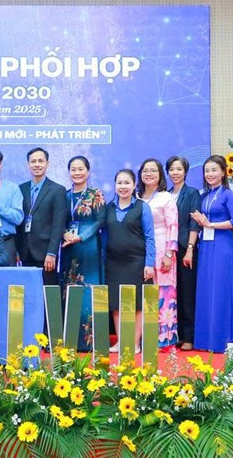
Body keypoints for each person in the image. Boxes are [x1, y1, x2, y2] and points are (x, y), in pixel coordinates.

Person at [189, 155, 233, 353]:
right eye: (207, 170)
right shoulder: (204, 195)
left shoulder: (228, 194)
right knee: (206, 290)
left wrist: (211, 224)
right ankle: (205, 340)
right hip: (206, 246)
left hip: (222, 245)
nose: (210, 174)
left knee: (220, 290)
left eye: (214, 170)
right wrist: (201, 222)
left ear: (223, 172)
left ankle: (222, 340)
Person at [105, 169, 156, 353]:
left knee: (137, 304)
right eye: (119, 183)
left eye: (127, 182)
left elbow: (150, 237)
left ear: (134, 185)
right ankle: (121, 341)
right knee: (116, 303)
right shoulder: (109, 207)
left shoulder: (142, 207)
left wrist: (149, 263)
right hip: (114, 263)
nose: (123, 186)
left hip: (137, 262)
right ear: (115, 186)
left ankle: (134, 343)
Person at [59, 156, 107, 351]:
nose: (77, 172)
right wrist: (64, 233)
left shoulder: (95, 194)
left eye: (80, 169)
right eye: (73, 169)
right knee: (69, 290)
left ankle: (89, 341)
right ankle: (71, 339)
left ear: (88, 171)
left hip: (88, 247)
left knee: (88, 290)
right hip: (68, 247)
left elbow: (101, 220)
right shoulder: (65, 195)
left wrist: (81, 237)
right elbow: (58, 219)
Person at [137, 158, 179, 350]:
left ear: (160, 174)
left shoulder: (165, 197)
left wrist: (169, 253)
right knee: (146, 292)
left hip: (163, 248)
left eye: (153, 170)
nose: (149, 174)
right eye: (145, 170)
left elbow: (173, 225)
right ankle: (145, 337)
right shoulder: (136, 196)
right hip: (141, 249)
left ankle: (165, 339)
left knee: (164, 292)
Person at [17, 147, 68, 286]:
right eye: (33, 161)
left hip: (45, 253)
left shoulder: (57, 190)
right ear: (28, 164)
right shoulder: (21, 189)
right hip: (25, 252)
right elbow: (18, 222)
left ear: (47, 164)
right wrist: (17, 250)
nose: (37, 164)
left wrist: (52, 253)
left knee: (47, 291)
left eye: (40, 161)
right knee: (27, 290)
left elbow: (58, 225)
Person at [166, 156, 201, 351]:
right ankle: (175, 334)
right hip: (168, 251)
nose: (175, 173)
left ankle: (189, 336)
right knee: (172, 293)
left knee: (187, 293)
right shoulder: (165, 194)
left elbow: (194, 223)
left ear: (185, 171)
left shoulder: (192, 193)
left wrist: (190, 249)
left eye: (179, 169)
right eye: (172, 169)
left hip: (185, 248)